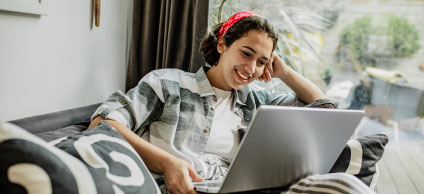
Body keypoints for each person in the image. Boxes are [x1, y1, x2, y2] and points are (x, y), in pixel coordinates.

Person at [88, 12, 375, 194]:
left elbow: (324, 109)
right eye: (246, 53)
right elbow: (102, 122)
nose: (251, 69)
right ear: (223, 44)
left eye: (262, 62)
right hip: (177, 187)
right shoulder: (168, 83)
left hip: (238, 188)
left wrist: (283, 72)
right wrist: (167, 163)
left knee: (347, 187)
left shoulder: (257, 102)